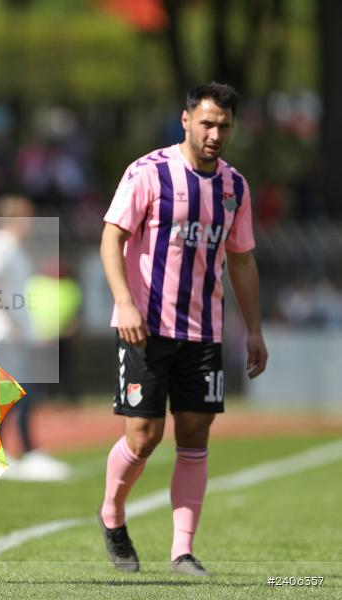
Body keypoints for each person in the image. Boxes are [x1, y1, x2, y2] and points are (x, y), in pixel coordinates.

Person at [98, 82, 268, 576]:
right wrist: (124, 303)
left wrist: (254, 330)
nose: (215, 134)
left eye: (224, 126)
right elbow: (111, 239)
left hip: (204, 332)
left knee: (194, 435)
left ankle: (182, 551)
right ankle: (112, 514)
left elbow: (242, 260)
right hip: (144, 328)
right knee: (144, 435)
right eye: (207, 123)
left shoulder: (235, 187)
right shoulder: (148, 172)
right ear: (186, 119)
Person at [0, 194, 71, 481]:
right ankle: (12, 454)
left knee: (18, 395)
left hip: (16, 336)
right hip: (3, 336)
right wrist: (10, 320)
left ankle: (16, 452)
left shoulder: (14, 248)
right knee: (14, 395)